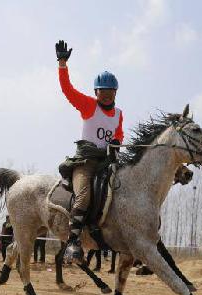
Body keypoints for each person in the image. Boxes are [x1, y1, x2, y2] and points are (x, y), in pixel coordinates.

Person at [56, 39, 124, 263]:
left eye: (110, 91)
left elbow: (119, 134)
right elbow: (68, 90)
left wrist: (116, 142)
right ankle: (73, 242)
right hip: (86, 160)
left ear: (115, 92)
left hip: (107, 161)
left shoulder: (119, 113)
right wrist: (62, 64)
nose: (106, 95)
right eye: (102, 91)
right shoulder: (88, 105)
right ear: (96, 91)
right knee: (84, 195)